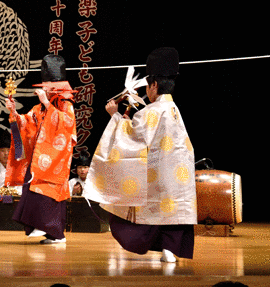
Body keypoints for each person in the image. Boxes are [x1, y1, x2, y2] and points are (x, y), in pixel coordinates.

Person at [83, 47, 196, 263]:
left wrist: (115, 116)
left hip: (156, 173)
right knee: (169, 208)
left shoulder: (151, 112)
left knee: (149, 208)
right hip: (174, 173)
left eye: (148, 86)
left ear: (154, 85)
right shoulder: (174, 109)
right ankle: (169, 249)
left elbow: (132, 138)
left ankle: (165, 249)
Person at [5, 54, 77, 244]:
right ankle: (54, 234)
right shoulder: (40, 108)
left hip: (56, 158)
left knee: (47, 194)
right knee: (34, 189)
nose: (44, 88)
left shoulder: (65, 104)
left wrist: (47, 103)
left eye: (47, 85)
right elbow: (27, 123)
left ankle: (48, 229)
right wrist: (14, 112)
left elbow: (67, 125)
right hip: (39, 157)